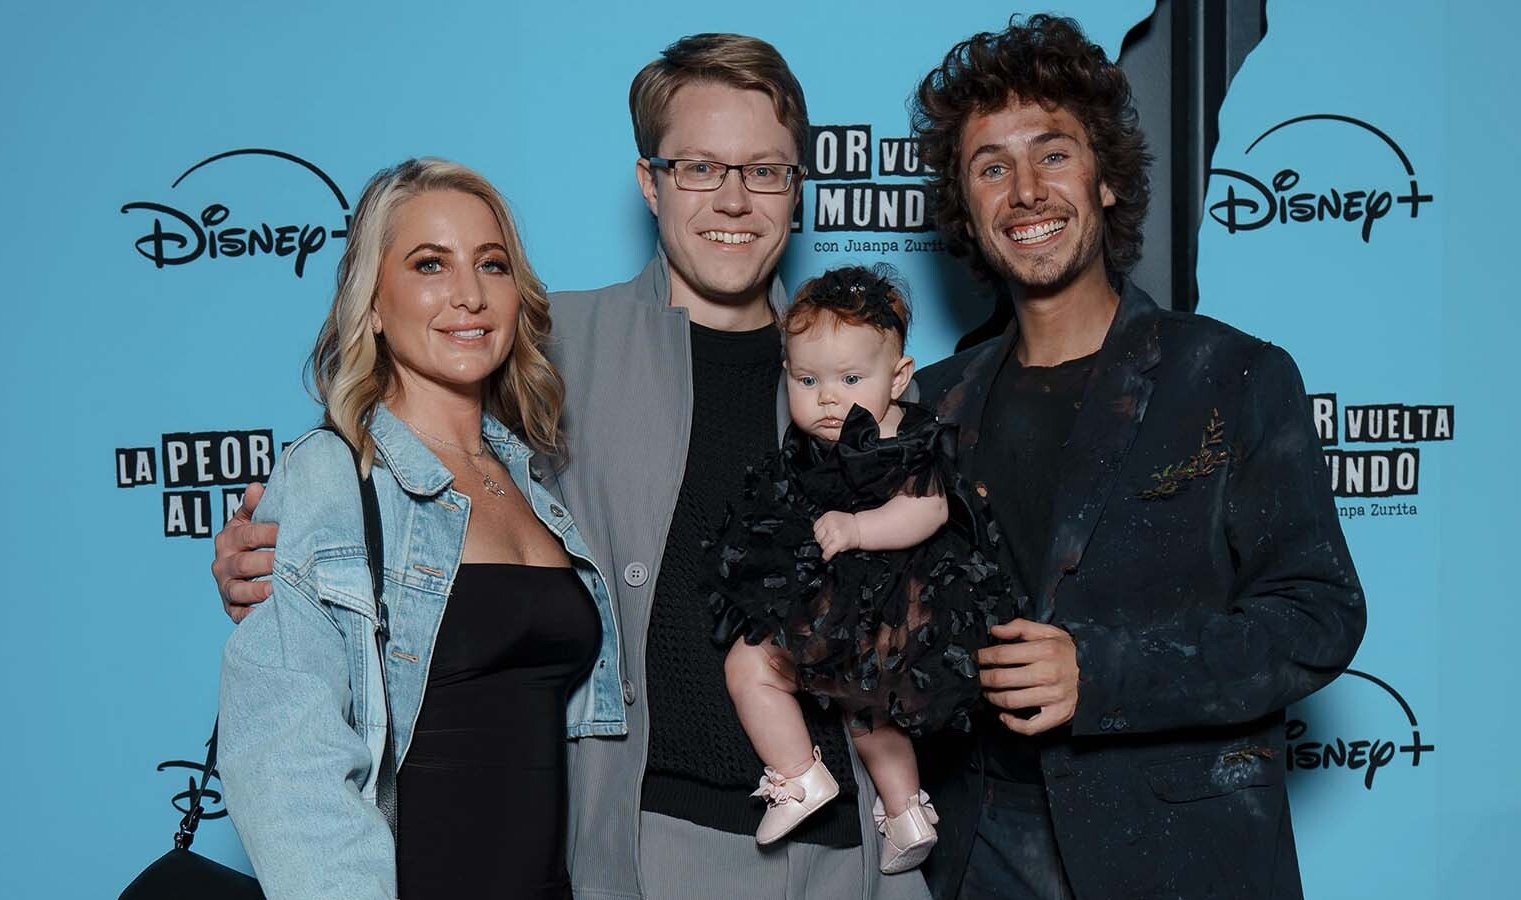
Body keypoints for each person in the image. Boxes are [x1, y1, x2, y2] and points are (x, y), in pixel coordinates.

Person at [211, 35, 931, 900]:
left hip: (852, 849)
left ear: (798, 187)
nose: (734, 199)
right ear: (649, 182)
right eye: (700, 166)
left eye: (765, 171)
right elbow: (394, 484)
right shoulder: (546, 349)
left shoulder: (858, 374)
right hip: (648, 847)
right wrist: (273, 560)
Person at [908, 15, 1368, 899]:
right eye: (991, 166)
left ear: (1107, 179)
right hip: (978, 855)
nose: (1026, 191)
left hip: (1181, 858)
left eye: (1053, 154)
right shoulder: (930, 404)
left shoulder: (1231, 376)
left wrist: (1103, 670)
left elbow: (1318, 616)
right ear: (967, 206)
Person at [217, 158, 624, 900]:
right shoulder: (331, 475)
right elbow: (283, 761)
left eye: (491, 265)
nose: (468, 295)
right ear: (372, 302)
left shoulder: (534, 480)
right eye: (429, 264)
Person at [708, 266, 1017, 875]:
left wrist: (857, 529)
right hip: (847, 598)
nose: (827, 397)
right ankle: (860, 796)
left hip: (899, 599)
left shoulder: (905, 437)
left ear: (899, 378)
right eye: (807, 379)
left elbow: (929, 507)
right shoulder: (814, 444)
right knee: (850, 702)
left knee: (793, 680)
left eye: (850, 378)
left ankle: (845, 791)